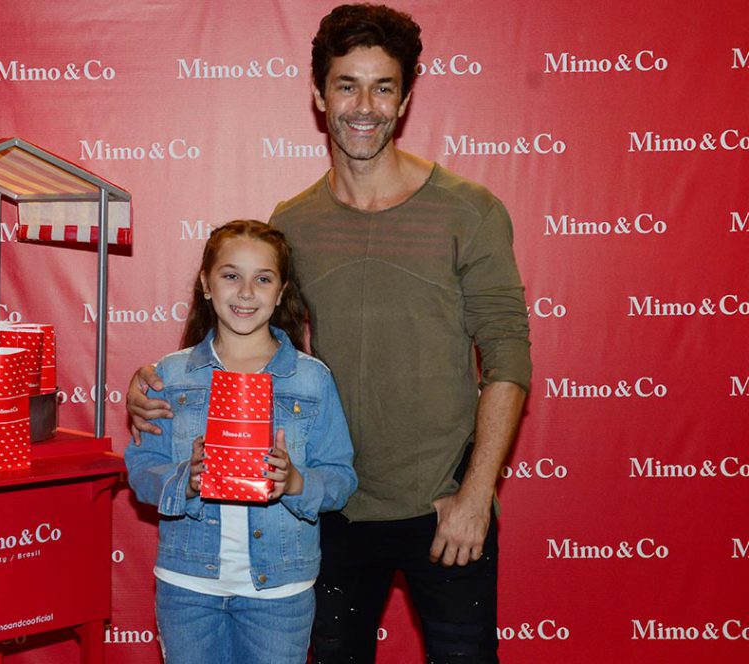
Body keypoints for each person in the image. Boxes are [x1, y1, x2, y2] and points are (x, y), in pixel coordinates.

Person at [129, 5, 531, 662]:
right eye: (347, 85)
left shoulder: (469, 211)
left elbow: (508, 355)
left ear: (404, 99)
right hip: (327, 509)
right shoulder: (295, 222)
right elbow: (255, 351)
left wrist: (475, 494)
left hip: (444, 505)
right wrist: (158, 387)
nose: (364, 106)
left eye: (383, 87)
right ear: (320, 96)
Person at [125, 220, 357, 664]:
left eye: (263, 279)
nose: (246, 292)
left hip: (280, 591)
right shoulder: (169, 376)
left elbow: (340, 475)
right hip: (189, 585)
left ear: (281, 291)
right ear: (206, 284)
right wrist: (184, 480)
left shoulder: (312, 379)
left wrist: (296, 483)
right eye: (231, 275)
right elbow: (141, 469)